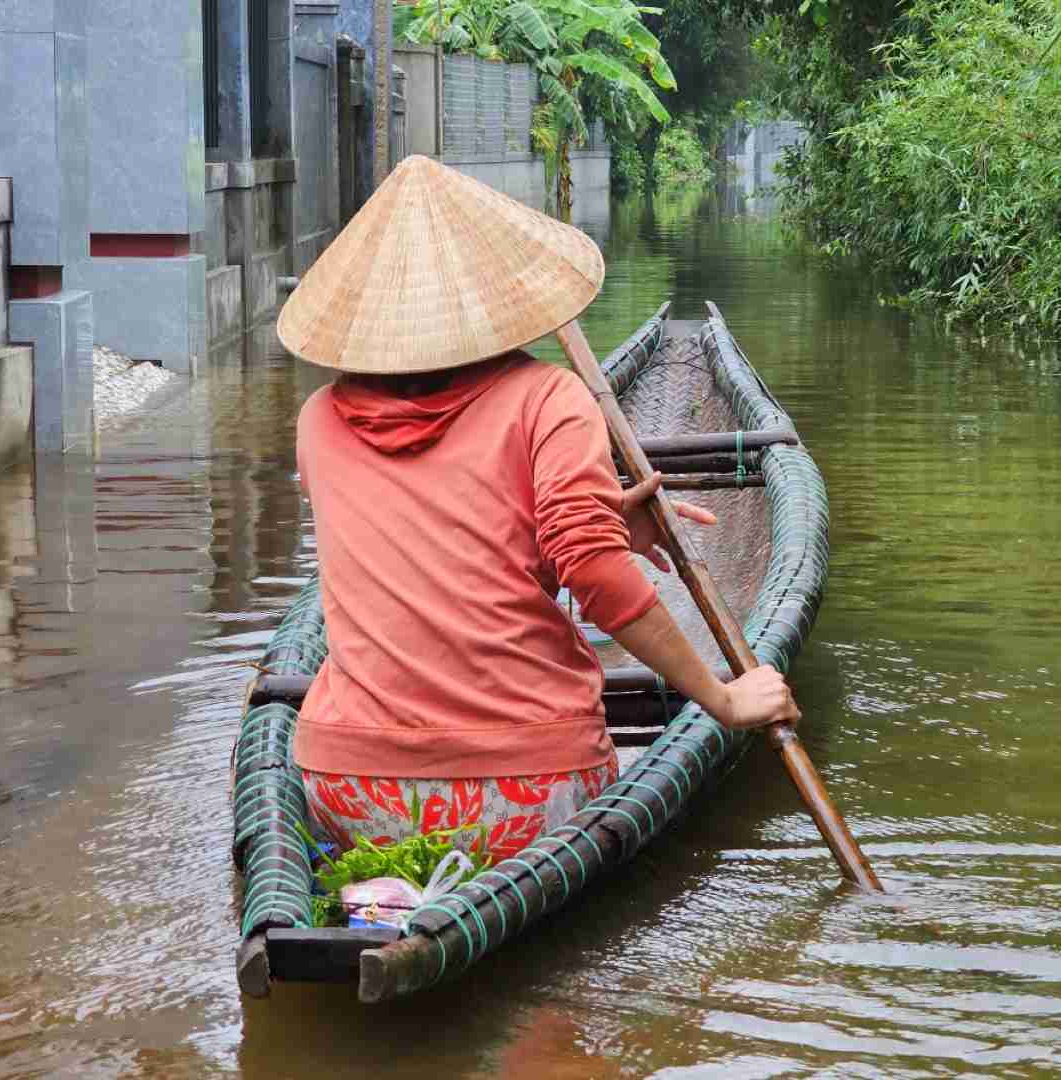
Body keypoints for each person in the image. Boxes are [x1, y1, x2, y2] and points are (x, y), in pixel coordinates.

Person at [274, 156, 799, 861]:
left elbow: (430, 530)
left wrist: (600, 520)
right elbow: (594, 574)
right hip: (521, 794)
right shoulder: (548, 398)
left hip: (348, 789)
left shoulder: (317, 420)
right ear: (497, 296)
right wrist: (725, 699)